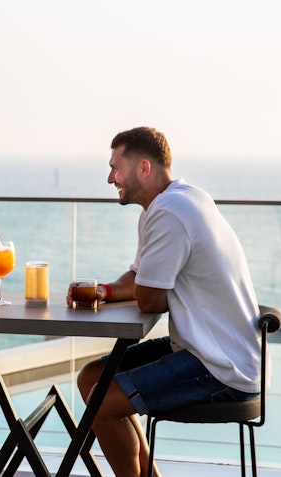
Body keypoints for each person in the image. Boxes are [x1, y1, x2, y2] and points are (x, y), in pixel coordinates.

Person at [69, 127, 261, 477]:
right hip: (203, 347)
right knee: (91, 378)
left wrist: (142, 288)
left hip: (220, 366)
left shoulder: (169, 212)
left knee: (102, 403)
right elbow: (139, 279)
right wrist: (105, 291)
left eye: (116, 167)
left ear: (144, 168)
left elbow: (150, 300)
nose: (110, 177)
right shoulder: (174, 202)